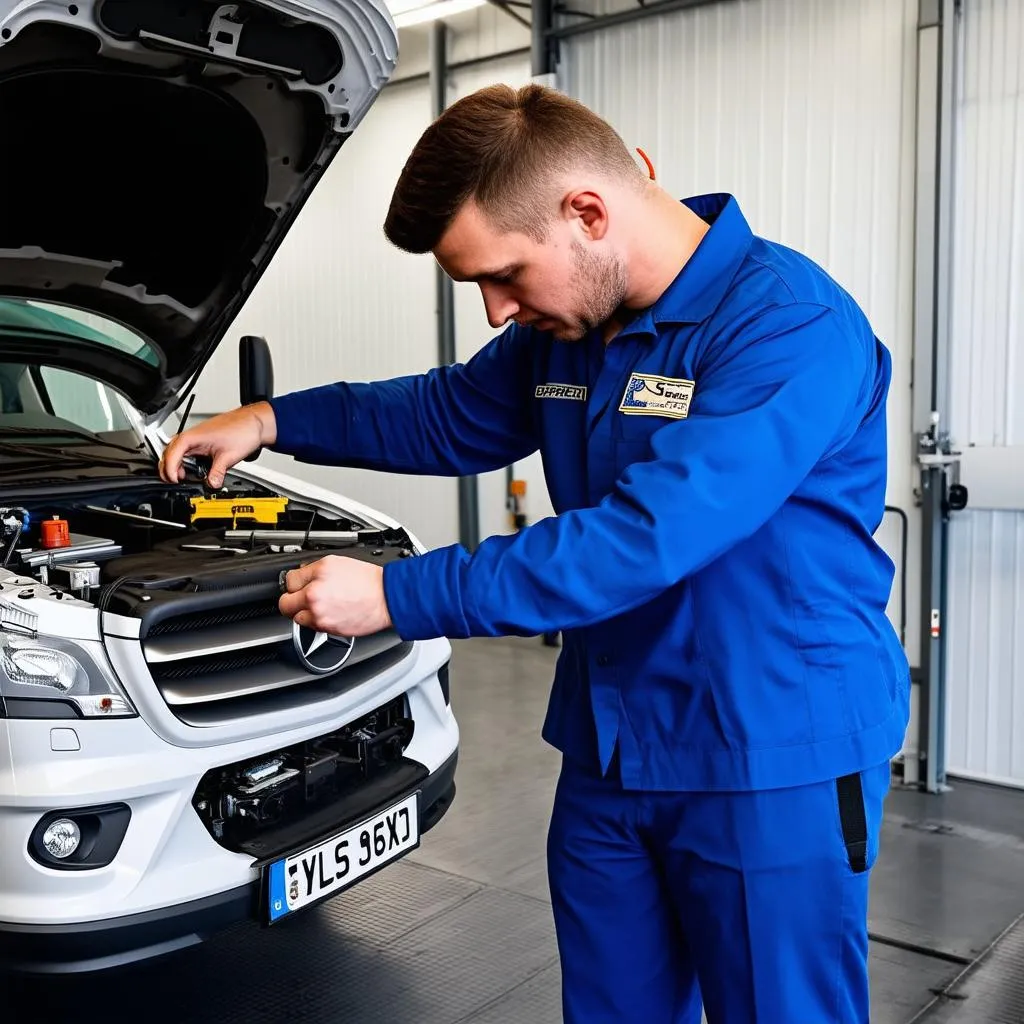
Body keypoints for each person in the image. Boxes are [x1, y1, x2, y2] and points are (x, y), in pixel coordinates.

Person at [161, 83, 911, 1023]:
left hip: (767, 752)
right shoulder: (574, 327)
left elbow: (643, 540)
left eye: (505, 275)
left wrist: (399, 595)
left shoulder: (787, 328)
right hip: (613, 748)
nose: (493, 312)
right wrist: (274, 420)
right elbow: (447, 413)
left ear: (588, 214)